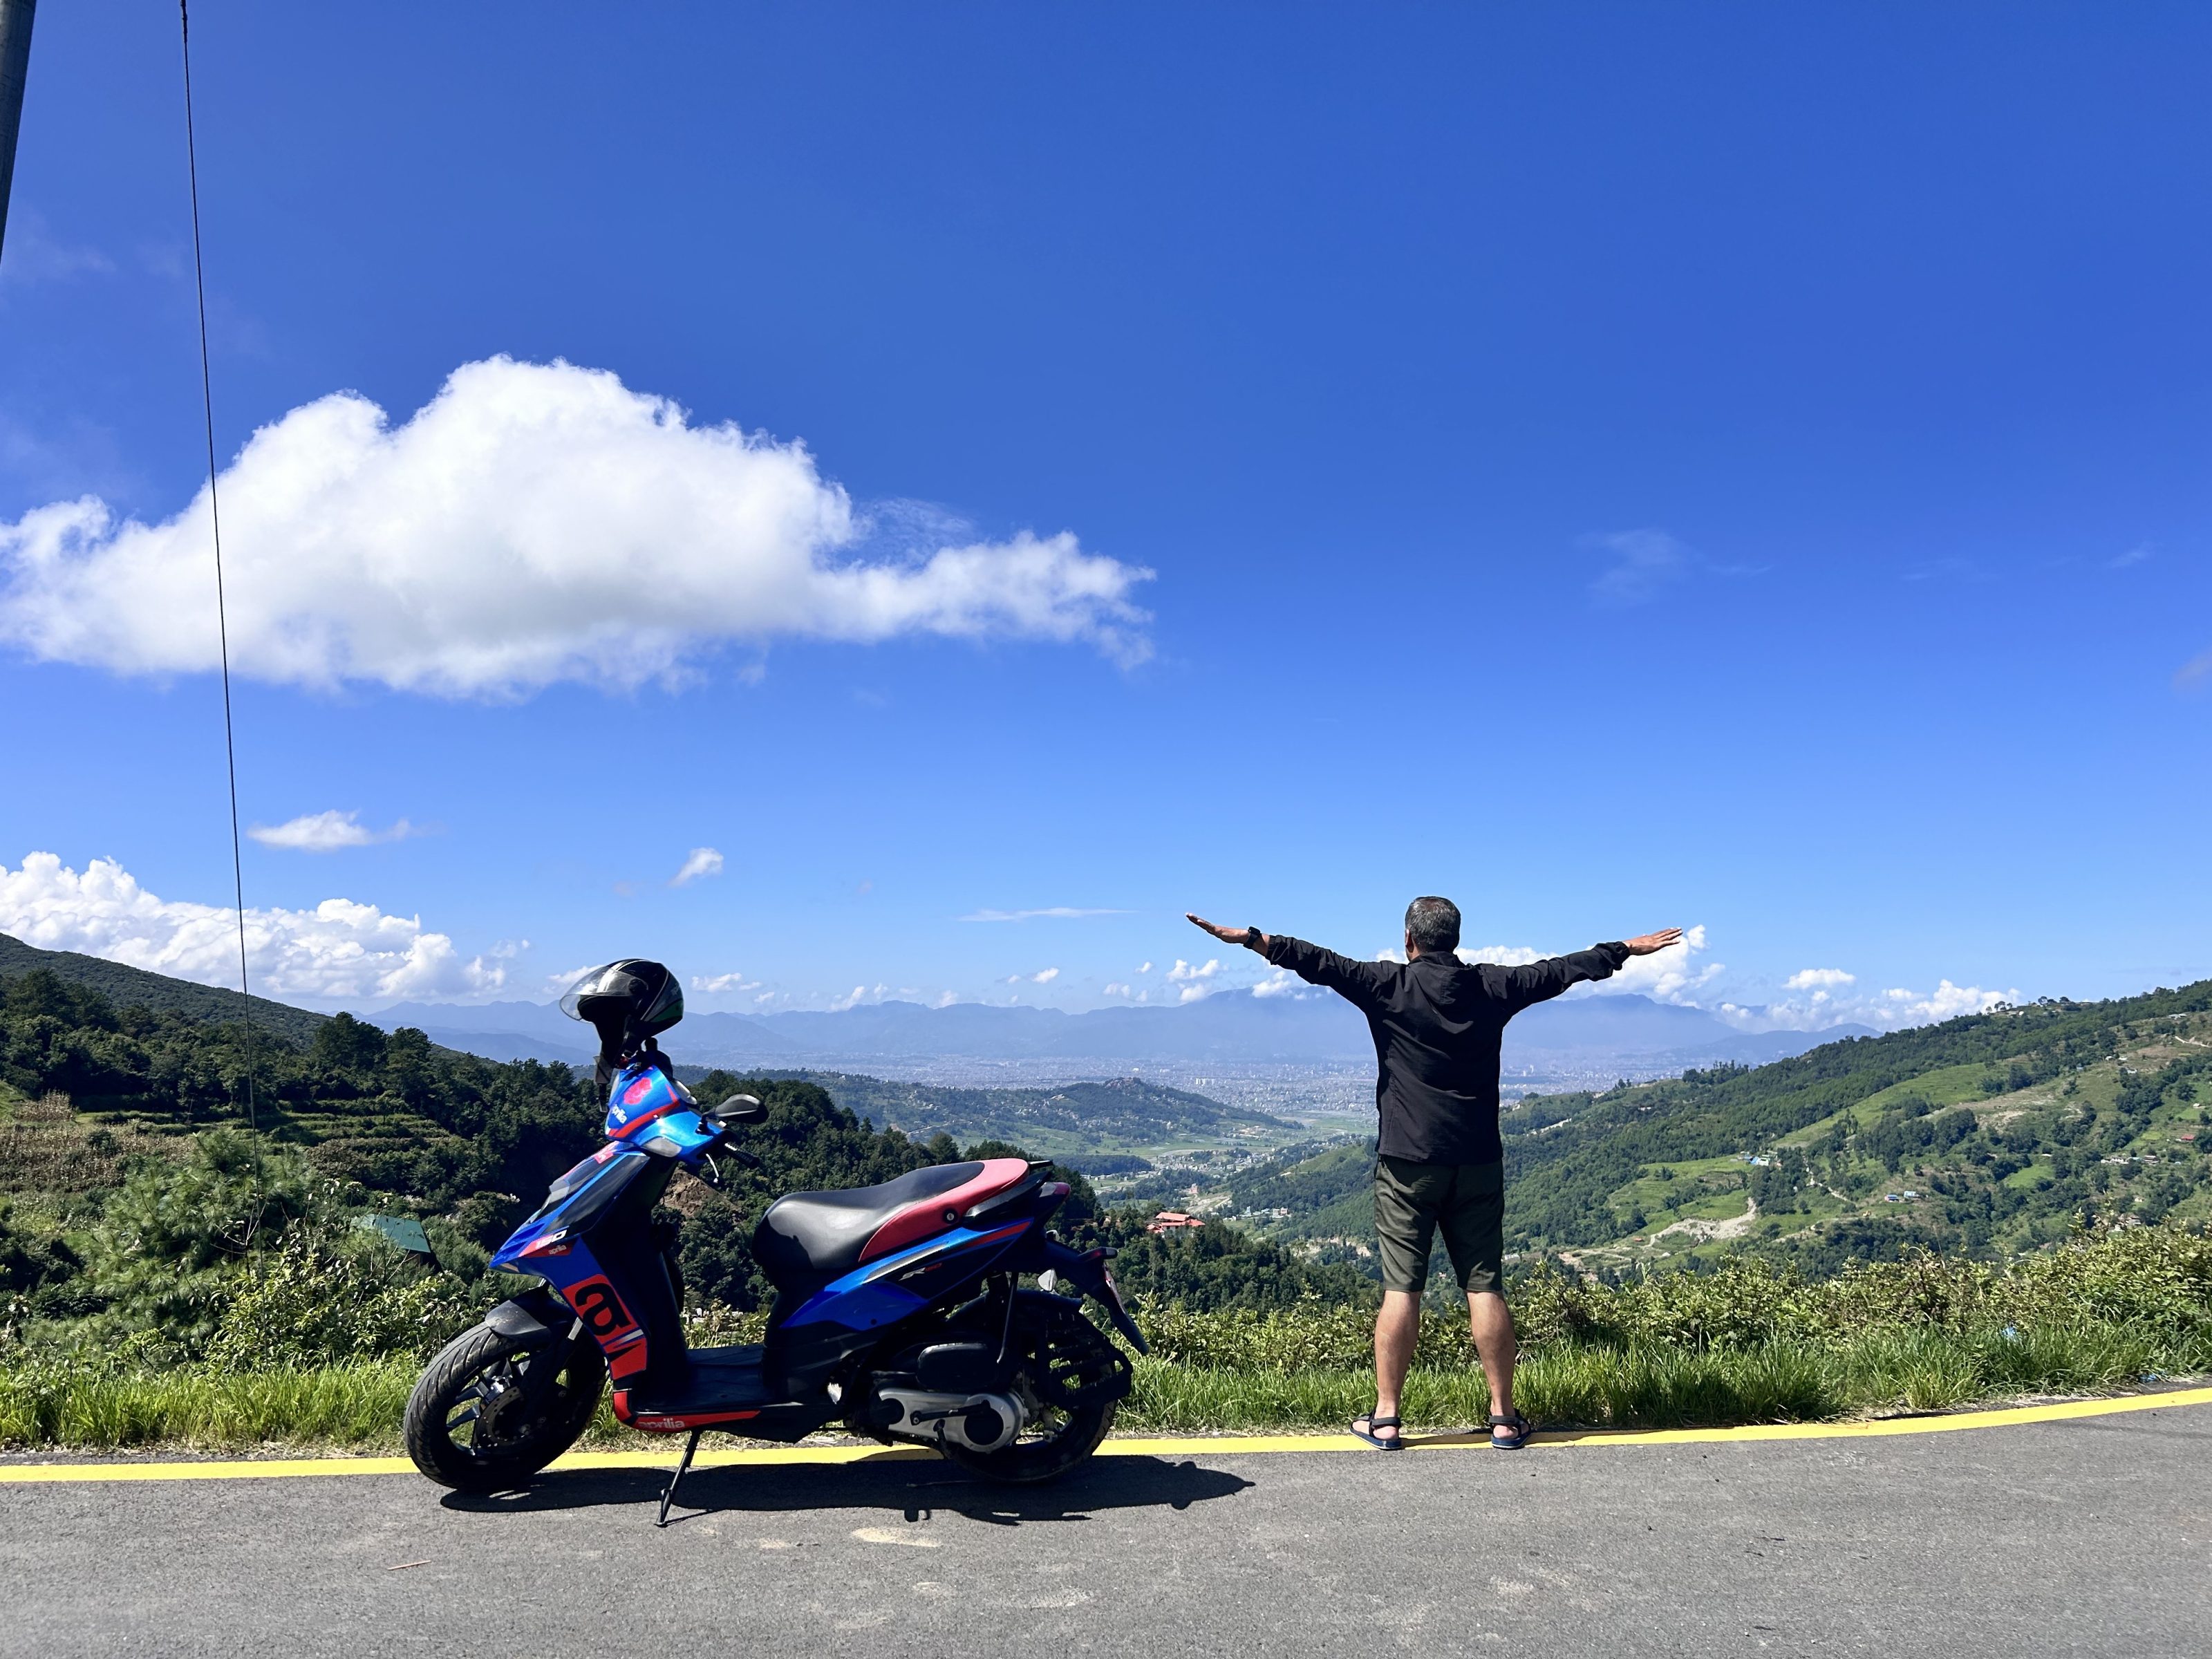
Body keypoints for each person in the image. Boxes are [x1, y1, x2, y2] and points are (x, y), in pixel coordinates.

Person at [1186, 899, 1681, 1451]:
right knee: (1484, 1286)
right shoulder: (1493, 987)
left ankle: (1388, 1420)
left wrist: (1253, 938)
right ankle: (1503, 1417)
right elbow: (1559, 971)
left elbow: (1318, 962)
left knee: (1402, 1289)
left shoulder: (1386, 986)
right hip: (1476, 1161)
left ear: (1409, 941)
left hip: (1407, 1162)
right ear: (1456, 938)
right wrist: (1624, 950)